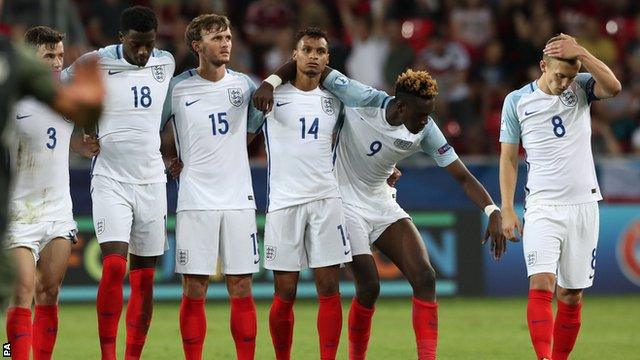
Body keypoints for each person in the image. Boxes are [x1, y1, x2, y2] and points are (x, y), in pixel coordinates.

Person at [254, 65, 507, 360]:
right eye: (421, 115)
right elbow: (312, 64)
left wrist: (492, 210)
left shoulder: (425, 129)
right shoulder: (362, 98)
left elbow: (462, 176)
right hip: (343, 202)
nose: (427, 121)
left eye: (430, 114)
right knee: (370, 285)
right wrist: (271, 82)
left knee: (425, 276)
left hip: (381, 200)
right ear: (400, 106)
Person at [63, 6, 175, 360]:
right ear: (121, 38)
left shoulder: (166, 63)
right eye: (136, 45)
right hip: (111, 177)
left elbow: (174, 110)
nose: (143, 52)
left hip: (152, 181)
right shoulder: (94, 62)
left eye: (148, 44)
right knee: (113, 266)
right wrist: (77, 136)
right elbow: (53, 90)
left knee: (144, 280)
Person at [499, 34, 621, 360]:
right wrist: (507, 208)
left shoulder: (581, 87)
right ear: (542, 66)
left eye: (570, 76)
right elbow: (509, 158)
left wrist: (582, 51)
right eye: (558, 75)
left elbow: (614, 87)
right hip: (542, 204)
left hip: (583, 203)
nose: (564, 83)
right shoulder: (516, 101)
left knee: (570, 294)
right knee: (541, 283)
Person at [161, 14, 263, 360]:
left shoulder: (245, 85)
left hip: (238, 199)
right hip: (195, 199)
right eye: (216, 37)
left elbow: (254, 130)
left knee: (242, 286)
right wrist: (166, 161)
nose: (225, 43)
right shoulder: (176, 88)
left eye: (228, 37)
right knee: (194, 287)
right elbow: (147, 129)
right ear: (196, 46)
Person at [251, 27, 352, 360]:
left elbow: (356, 141)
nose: (313, 56)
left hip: (326, 200)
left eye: (320, 51)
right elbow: (240, 136)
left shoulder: (336, 100)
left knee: (329, 289)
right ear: (294, 55)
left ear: (328, 59)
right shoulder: (270, 97)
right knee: (285, 292)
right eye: (306, 50)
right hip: (284, 203)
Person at [2, 25, 101, 360]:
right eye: (49, 56)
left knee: (49, 293)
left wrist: (79, 143)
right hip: (18, 210)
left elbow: (53, 135)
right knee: (23, 293)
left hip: (58, 209)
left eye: (60, 55)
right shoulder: (11, 96)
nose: (58, 62)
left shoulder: (64, 96)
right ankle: (11, 354)